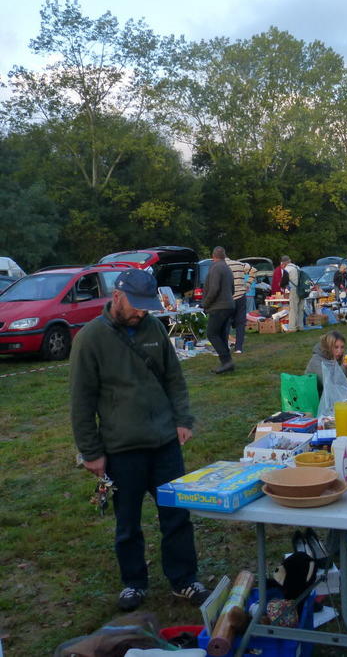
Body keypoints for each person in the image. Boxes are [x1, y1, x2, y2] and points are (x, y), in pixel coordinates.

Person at [70, 269, 210, 612]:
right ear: (117, 296)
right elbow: (81, 402)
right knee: (128, 522)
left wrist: (183, 420)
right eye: (137, 305)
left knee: (176, 515)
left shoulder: (154, 329)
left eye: (148, 306)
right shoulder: (90, 339)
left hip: (164, 443)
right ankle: (133, 583)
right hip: (121, 449)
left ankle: (184, 579)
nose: (142, 312)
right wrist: (91, 453)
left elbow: (174, 378)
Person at [203, 246, 235, 374]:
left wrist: (205, 303)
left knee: (212, 333)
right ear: (224, 256)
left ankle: (226, 362)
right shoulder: (227, 268)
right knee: (221, 335)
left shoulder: (216, 268)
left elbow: (214, 289)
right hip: (229, 305)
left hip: (218, 306)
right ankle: (227, 363)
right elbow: (232, 289)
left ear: (213, 256)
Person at [304, 330, 347, 395]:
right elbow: (330, 384)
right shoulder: (316, 360)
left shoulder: (335, 356)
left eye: (342, 347)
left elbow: (340, 382)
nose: (340, 351)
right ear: (328, 347)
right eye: (336, 347)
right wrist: (344, 367)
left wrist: (346, 367)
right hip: (314, 397)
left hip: (327, 394)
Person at [225, 255, 252, 354]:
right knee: (240, 323)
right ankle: (239, 348)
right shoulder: (239, 264)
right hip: (241, 296)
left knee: (226, 323)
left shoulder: (222, 266)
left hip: (229, 297)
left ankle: (226, 346)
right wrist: (248, 284)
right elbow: (253, 270)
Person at [280, 255, 301, 332]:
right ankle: (300, 326)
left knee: (293, 309)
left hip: (293, 290)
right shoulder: (297, 267)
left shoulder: (287, 269)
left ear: (284, 263)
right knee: (300, 309)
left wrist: (282, 286)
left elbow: (284, 282)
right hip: (301, 290)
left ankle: (292, 328)